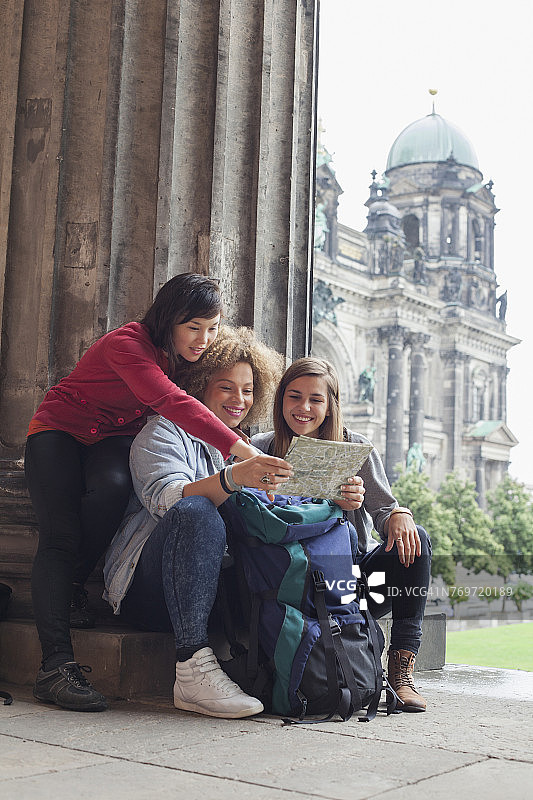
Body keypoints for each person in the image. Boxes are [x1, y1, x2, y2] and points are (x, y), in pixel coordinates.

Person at [25, 274, 262, 712]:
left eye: (212, 329)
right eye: (194, 327)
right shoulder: (127, 343)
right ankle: (54, 668)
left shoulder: (186, 359)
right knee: (58, 537)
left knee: (112, 489)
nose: (205, 339)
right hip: (59, 430)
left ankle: (75, 582)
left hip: (111, 437)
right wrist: (239, 448)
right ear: (169, 319)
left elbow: (208, 393)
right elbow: (173, 402)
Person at [103, 326, 300, 718]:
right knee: (196, 511)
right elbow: (168, 501)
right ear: (199, 385)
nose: (238, 400)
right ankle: (192, 668)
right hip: (152, 588)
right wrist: (232, 478)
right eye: (226, 387)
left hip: (221, 593)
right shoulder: (163, 431)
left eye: (247, 390)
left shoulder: (252, 448)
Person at [251, 357, 431, 712]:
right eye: (294, 396)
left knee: (417, 539)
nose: (304, 408)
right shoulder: (260, 447)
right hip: (290, 580)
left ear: (331, 405)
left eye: (316, 399)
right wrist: (325, 501)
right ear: (280, 400)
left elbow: (385, 511)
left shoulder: (355, 447)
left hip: (352, 585)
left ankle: (400, 669)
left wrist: (399, 515)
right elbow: (251, 514)